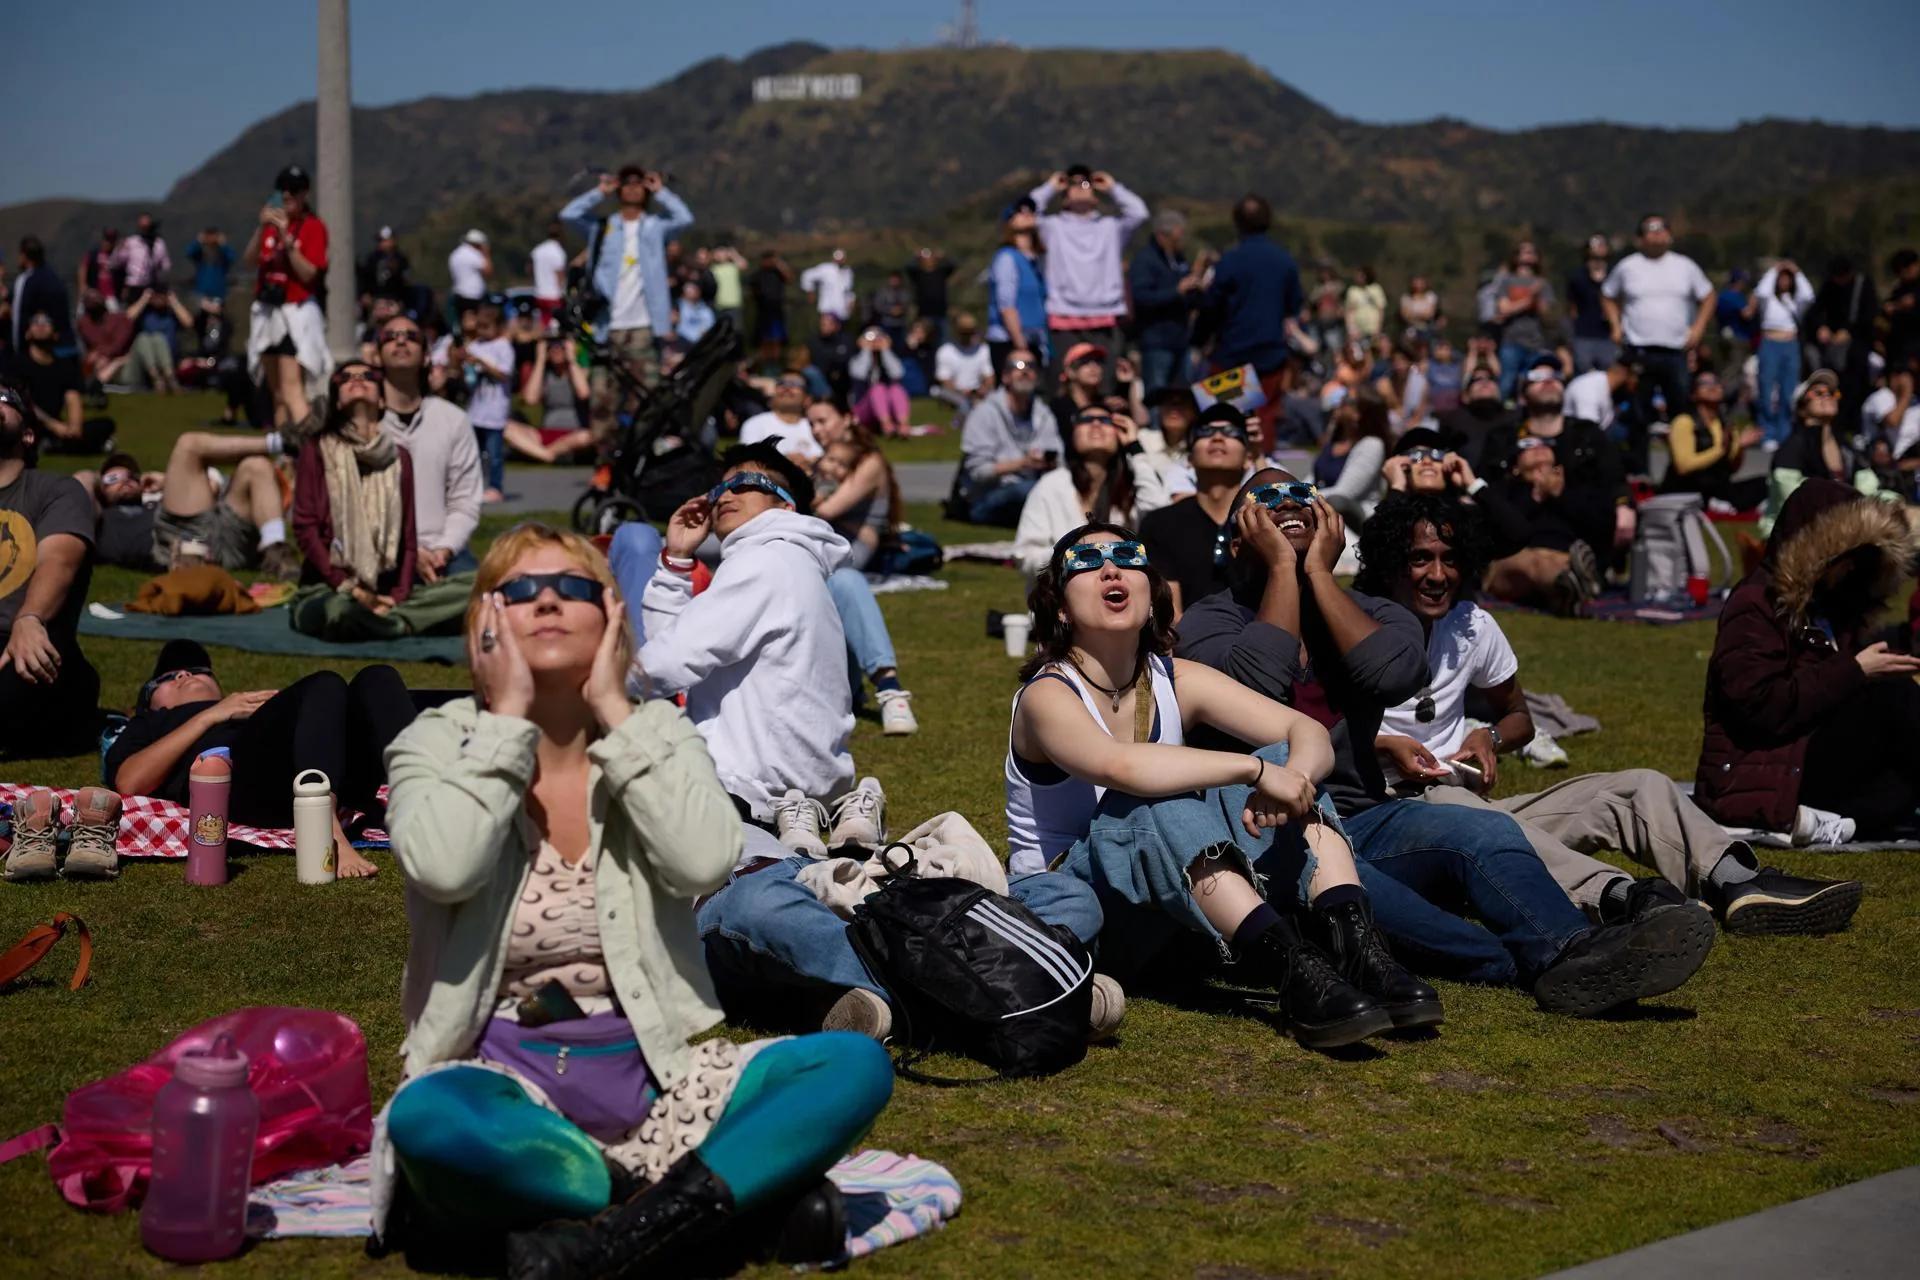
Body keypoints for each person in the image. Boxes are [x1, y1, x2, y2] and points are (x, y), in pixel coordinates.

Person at [376, 522, 893, 1274]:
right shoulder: (437, 741)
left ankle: (618, 1232)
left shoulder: (654, 734)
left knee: (852, 1067)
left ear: (611, 615)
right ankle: (710, 1203)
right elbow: (444, 868)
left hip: (656, 1088)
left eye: (572, 588)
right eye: (520, 590)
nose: (547, 602)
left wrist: (619, 715)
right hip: (501, 1090)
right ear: (484, 620)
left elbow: (705, 860)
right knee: (427, 1118)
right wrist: (505, 723)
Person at [1176, 471, 1713, 1014]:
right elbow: (1258, 684)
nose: (1287, 504)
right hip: (1275, 834)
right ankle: (1525, 966)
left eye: (1301, 496)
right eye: (1265, 499)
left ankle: (1574, 949)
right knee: (1420, 923)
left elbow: (1393, 674)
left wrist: (1316, 572)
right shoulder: (1206, 622)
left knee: (1485, 830)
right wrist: (1282, 569)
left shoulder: (1371, 611)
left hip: (1366, 817)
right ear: (1239, 540)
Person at [1011, 522, 1435, 1046]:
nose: (1111, 570)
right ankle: (1293, 970)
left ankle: (1358, 947)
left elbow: (1306, 732)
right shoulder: (1047, 694)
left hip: (1164, 903)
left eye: (1128, 557)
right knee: (1152, 800)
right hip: (1081, 906)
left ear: (1150, 592)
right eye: (1087, 562)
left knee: (1284, 757)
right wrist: (1253, 772)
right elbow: (1122, 767)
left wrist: (1293, 778)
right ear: (1060, 607)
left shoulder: (1173, 677)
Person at [1359, 492, 1857, 934]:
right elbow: (1317, 734)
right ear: (1390, 562)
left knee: (1637, 787)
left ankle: (1739, 882)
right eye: (1420, 559)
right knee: (1464, 810)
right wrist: (1385, 746)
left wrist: (1488, 736)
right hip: (1388, 815)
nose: (1438, 575)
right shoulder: (1354, 626)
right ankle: (1624, 899)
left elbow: (1519, 717)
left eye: (1449, 559)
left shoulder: (1471, 625)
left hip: (1468, 806)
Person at [622, 443, 857, 841]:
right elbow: (674, 653)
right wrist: (677, 560)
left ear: (785, 505)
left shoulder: (764, 561)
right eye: (718, 489)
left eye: (746, 482)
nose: (725, 495)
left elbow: (664, 664)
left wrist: (595, 691)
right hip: (802, 784)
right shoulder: (790, 559)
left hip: (748, 789)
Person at [1697, 478, 1920, 843]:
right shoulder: (1756, 605)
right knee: (1895, 698)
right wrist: (1855, 670)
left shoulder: (1832, 604)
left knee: (1902, 750)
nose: (1851, 568)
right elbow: (1761, 707)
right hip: (1769, 770)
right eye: (1846, 557)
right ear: (1818, 551)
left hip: (1808, 762)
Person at [109, 638, 421, 879]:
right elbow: (130, 781)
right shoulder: (151, 724)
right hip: (246, 789)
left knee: (377, 677)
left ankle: (428, 803)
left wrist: (290, 708)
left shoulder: (248, 708)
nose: (184, 675)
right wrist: (210, 715)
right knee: (325, 682)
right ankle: (324, 832)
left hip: (332, 774)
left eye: (199, 672)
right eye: (166, 679)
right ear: (148, 704)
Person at [0, 381, 99, 760]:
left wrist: (29, 618)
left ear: (28, 434)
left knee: (30, 672)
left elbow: (59, 560)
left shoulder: (56, 490)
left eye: (4, 400)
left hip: (29, 639)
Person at [561, 166, 694, 445]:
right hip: (606, 325)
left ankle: (640, 456)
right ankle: (605, 460)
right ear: (618, 188)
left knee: (645, 398)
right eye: (627, 182)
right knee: (602, 400)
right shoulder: (602, 226)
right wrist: (600, 192)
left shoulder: (656, 226)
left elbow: (685, 218)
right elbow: (569, 215)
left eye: (639, 183)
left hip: (644, 326)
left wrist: (661, 191)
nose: (633, 187)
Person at [290, 363, 420, 636]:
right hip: (329, 587)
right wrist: (351, 589)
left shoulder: (400, 458)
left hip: (384, 588)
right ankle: (394, 622)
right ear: (337, 401)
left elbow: (408, 541)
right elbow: (305, 528)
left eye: (368, 376)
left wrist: (399, 595)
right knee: (339, 611)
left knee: (464, 590)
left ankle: (387, 616)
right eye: (345, 377)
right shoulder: (317, 450)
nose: (357, 379)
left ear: (382, 400)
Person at [85, 430, 299, 578]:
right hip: (182, 544)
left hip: (224, 538)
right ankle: (284, 441)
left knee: (256, 465)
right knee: (188, 445)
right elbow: (81, 480)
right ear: (100, 490)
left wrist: (167, 482)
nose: (125, 481)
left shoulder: (156, 499)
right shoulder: (100, 516)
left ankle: (276, 551)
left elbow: (214, 487)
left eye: (132, 477)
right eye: (112, 479)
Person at [1602, 214, 1715, 473]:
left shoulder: (1685, 266)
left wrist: (1698, 328)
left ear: (1670, 235)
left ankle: (1681, 470)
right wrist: (1615, 325)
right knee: (1638, 414)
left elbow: (1708, 296)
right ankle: (1640, 472)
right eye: (1650, 230)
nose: (1656, 235)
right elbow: (1607, 295)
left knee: (1681, 414)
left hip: (1675, 351)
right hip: (1639, 350)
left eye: (1661, 229)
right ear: (1639, 238)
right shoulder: (1628, 266)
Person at [374, 313, 485, 576]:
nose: (401, 341)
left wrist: (444, 549)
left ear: (426, 356)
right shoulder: (364, 423)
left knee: (484, 592)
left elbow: (465, 501)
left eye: (411, 337)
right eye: (391, 337)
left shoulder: (453, 420)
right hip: (378, 552)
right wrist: (407, 553)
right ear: (377, 357)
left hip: (442, 552)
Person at [1014, 404, 1168, 584]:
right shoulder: (1050, 485)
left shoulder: (1134, 484)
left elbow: (1161, 520)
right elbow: (1024, 556)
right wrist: (1080, 555)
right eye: (1085, 420)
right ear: (1073, 435)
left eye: (1105, 421)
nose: (1096, 424)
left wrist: (1135, 449)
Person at [1199, 194, 1304, 437]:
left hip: (1231, 355)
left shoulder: (1229, 262)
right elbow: (1294, 306)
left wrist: (1200, 339)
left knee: (1224, 422)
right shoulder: (1285, 262)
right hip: (1270, 356)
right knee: (1263, 423)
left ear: (1237, 223)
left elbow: (1211, 307)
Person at [1030, 165, 1149, 380]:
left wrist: (1113, 188)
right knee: (1065, 380)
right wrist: (1050, 187)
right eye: (1073, 184)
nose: (1080, 187)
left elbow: (1139, 213)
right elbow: (1028, 211)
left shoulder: (1111, 227)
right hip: (1063, 315)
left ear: (1095, 195)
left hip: (1106, 315)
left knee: (1105, 381)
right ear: (1064, 197)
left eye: (1085, 183)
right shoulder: (1052, 227)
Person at [1137, 402, 1255, 615]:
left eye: (1231, 432)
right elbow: (1170, 612)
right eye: (1205, 432)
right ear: (1189, 459)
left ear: (1248, 458)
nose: (1217, 437)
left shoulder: (1263, 522)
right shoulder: (1159, 524)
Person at [244, 165, 331, 429]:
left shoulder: (314, 227)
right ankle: (284, 446)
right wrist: (261, 229)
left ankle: (309, 444)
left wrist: (288, 241)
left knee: (293, 389)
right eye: (282, 189)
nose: (286, 195)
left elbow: (309, 274)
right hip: (267, 312)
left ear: (304, 194)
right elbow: (249, 261)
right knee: (278, 394)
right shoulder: (269, 228)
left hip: (296, 312)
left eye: (293, 190)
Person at [1762, 370, 1881, 536]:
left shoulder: (1845, 445)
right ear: (1801, 407)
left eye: (1833, 393)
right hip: (1797, 535)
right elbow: (1792, 498)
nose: (1827, 397)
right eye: (1818, 393)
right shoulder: (1793, 446)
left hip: (1846, 526)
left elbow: (1869, 487)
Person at [958, 348, 1060, 526]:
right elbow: (978, 472)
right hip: (987, 497)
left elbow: (1059, 458)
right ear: (1005, 376)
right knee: (1031, 490)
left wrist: (1049, 462)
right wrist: (1022, 464)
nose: (1025, 371)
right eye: (1018, 365)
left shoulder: (1043, 414)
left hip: (1032, 486)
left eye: (1031, 366)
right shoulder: (984, 413)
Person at [810, 407, 901, 571]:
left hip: (853, 544)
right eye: (811, 424)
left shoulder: (869, 462)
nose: (815, 430)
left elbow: (826, 511)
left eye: (822, 422)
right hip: (831, 537)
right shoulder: (821, 463)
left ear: (846, 419)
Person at [1664, 368, 1766, 510]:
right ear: (1693, 394)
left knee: (1765, 483)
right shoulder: (1684, 422)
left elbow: (1732, 468)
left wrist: (1741, 447)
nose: (1712, 387)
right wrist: (1720, 450)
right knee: (1706, 484)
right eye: (1704, 383)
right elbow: (1683, 466)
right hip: (1686, 488)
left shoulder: (1726, 424)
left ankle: (1723, 503)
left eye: (1716, 383)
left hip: (1717, 485)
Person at [7, 311, 106, 454]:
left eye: (46, 322)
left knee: (105, 425)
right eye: (36, 322)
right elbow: (20, 401)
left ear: (56, 334)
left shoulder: (65, 367)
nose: (41, 325)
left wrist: (74, 427)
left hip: (56, 426)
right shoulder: (16, 364)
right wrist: (53, 425)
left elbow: (72, 397)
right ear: (28, 333)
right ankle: (63, 445)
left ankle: (55, 445)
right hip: (28, 421)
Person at [1128, 209, 1203, 394]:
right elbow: (1141, 297)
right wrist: (1176, 291)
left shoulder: (1178, 259)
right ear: (1162, 236)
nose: (1180, 242)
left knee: (1183, 395)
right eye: (1176, 239)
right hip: (1157, 342)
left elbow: (1187, 296)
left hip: (1181, 340)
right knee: (1156, 394)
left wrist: (1196, 289)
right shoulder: (1145, 261)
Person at [1807, 256, 1880, 437]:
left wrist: (1849, 332)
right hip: (1833, 350)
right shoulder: (1829, 286)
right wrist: (1821, 327)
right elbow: (1815, 312)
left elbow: (1870, 315)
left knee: (1856, 387)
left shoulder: (1863, 285)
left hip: (1857, 347)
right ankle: (1835, 425)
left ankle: (1855, 427)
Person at [1747, 258, 1815, 447]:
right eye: (1781, 278)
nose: (1784, 281)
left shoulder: (1795, 301)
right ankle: (1767, 432)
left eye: (1787, 278)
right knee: (1766, 389)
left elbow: (1809, 295)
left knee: (1788, 391)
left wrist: (1797, 271)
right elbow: (1761, 291)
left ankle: (1784, 433)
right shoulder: (1768, 299)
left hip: (1790, 344)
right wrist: (1774, 270)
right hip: (1770, 343)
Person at [507, 334, 594, 465]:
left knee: (587, 437)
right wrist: (540, 360)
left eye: (560, 346)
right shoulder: (544, 374)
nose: (556, 349)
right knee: (506, 427)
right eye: (551, 346)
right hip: (545, 434)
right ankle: (548, 455)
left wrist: (571, 359)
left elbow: (583, 392)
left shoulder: (581, 371)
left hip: (574, 435)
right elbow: (530, 399)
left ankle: (539, 453)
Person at [1312, 386, 1391, 528]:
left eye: (1347, 399)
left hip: (1355, 520)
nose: (1340, 401)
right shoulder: (1335, 439)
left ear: (1358, 414)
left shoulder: (1372, 445)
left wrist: (1301, 497)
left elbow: (1344, 494)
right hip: (1322, 509)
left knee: (1337, 502)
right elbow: (1313, 478)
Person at [986, 198, 1048, 374]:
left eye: (1031, 211)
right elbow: (1006, 305)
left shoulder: (1035, 261)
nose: (1027, 214)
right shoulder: (1007, 258)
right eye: (1020, 211)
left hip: (1035, 338)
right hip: (1011, 341)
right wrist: (1020, 344)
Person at [461, 302, 515, 503]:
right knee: (472, 453)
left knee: (494, 454)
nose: (482, 331)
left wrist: (482, 363)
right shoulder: (475, 346)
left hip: (495, 411)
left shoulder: (503, 347)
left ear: (498, 326)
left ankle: (495, 487)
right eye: (480, 327)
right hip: (476, 410)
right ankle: (471, 487)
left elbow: (504, 374)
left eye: (487, 327)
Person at [1490, 242, 1556, 401]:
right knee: (1507, 382)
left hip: (1536, 341)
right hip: (1511, 340)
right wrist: (1530, 297)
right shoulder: (1507, 281)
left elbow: (1546, 313)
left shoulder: (1542, 283)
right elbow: (1504, 309)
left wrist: (1537, 298)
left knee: (1532, 383)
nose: (1528, 255)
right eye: (1524, 251)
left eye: (1532, 252)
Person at [739, 372, 822, 466]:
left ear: (807, 398)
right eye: (782, 383)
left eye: (795, 384)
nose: (787, 388)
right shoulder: (754, 423)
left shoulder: (815, 426)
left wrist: (808, 462)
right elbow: (748, 460)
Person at [124, 283, 194, 394]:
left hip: (168, 357)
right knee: (143, 338)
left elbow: (189, 323)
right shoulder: (144, 313)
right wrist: (144, 299)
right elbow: (126, 320)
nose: (158, 299)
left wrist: (174, 301)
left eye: (161, 296)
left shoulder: (171, 313)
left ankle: (169, 376)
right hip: (145, 360)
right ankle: (157, 377)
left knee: (158, 338)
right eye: (156, 296)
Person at [1565, 234, 1617, 374]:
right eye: (1595, 244)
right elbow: (1572, 307)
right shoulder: (1577, 276)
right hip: (1583, 334)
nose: (1599, 247)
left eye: (1602, 243)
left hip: (1608, 335)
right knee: (1583, 372)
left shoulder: (1615, 274)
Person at [12, 238, 73, 355]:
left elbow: (19, 318)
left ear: (24, 256)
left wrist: (18, 349)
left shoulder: (26, 280)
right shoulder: (55, 278)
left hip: (38, 351)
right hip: (65, 347)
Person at [847, 326, 909, 438]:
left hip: (887, 407)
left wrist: (885, 350)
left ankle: (903, 425)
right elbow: (859, 374)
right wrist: (866, 350)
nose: (875, 341)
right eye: (870, 337)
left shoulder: (888, 356)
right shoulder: (856, 358)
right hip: (864, 408)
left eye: (878, 337)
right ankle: (886, 425)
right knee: (878, 389)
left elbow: (897, 373)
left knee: (896, 389)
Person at [931, 312, 993, 418]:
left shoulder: (983, 349)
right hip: (954, 392)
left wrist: (983, 389)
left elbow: (989, 377)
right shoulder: (945, 351)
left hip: (976, 391)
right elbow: (945, 380)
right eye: (965, 332)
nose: (968, 336)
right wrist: (962, 392)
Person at [1563, 354, 1632, 436]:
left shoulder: (1609, 388)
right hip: (1574, 436)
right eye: (1635, 377)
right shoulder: (1589, 388)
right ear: (1623, 374)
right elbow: (1587, 430)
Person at [110, 213, 171, 304]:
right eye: (143, 227)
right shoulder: (131, 242)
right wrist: (119, 248)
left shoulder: (159, 243)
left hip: (152, 285)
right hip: (134, 285)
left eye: (147, 226)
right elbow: (116, 263)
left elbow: (165, 265)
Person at [748, 249, 793, 366]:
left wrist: (780, 264)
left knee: (776, 339)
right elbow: (752, 291)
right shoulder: (758, 275)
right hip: (763, 312)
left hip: (777, 311)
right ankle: (764, 365)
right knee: (764, 339)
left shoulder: (778, 273)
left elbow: (789, 278)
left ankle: (775, 365)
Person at [358, 226, 412, 315]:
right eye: (380, 241)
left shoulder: (400, 258)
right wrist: (364, 293)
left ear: (392, 240)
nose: (381, 243)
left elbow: (405, 281)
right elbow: (365, 277)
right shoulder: (373, 258)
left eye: (384, 240)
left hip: (394, 299)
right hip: (375, 300)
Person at [904, 246, 954, 341]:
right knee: (925, 340)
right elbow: (908, 267)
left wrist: (944, 257)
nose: (928, 261)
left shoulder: (941, 272)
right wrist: (916, 257)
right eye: (925, 259)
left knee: (943, 340)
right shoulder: (918, 274)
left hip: (941, 313)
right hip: (924, 313)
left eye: (930, 258)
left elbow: (952, 265)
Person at [528, 222, 568, 328]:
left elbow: (529, 268)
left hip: (539, 294)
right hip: (554, 295)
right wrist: (564, 292)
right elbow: (560, 275)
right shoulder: (558, 252)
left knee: (543, 323)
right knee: (554, 325)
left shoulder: (538, 250)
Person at [799, 249, 855, 324]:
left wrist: (850, 302)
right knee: (828, 328)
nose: (839, 261)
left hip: (842, 311)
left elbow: (848, 290)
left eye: (841, 259)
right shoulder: (826, 269)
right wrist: (810, 290)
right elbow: (807, 275)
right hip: (827, 309)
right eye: (837, 259)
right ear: (833, 259)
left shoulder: (848, 272)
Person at [446, 229, 492, 318]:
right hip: (473, 296)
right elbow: (488, 271)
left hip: (459, 294)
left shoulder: (455, 254)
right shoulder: (473, 254)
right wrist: (486, 254)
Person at [187, 226, 234, 306]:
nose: (211, 238)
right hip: (201, 292)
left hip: (219, 292)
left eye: (213, 235)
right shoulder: (200, 252)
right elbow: (189, 252)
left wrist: (223, 244)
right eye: (208, 235)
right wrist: (198, 241)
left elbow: (231, 257)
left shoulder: (223, 252)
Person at [1342, 267, 1387, 349]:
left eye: (1361, 275)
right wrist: (1351, 329)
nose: (1358, 277)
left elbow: (1381, 309)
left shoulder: (1376, 289)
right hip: (1358, 331)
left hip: (1373, 330)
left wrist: (1378, 329)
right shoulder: (1352, 291)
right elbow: (1349, 312)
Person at [78, 229, 122, 313]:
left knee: (115, 314)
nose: (108, 243)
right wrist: (82, 285)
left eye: (111, 241)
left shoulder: (118, 256)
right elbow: (83, 267)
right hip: (93, 291)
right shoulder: (94, 254)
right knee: (82, 313)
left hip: (110, 294)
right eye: (107, 240)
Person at [707, 244, 747, 333]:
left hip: (734, 305)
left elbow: (743, 265)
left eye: (721, 252)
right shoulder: (712, 268)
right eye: (717, 253)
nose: (719, 255)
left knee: (736, 331)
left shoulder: (733, 266)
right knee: (720, 332)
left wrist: (733, 254)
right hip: (718, 306)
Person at [1399, 274, 1442, 341]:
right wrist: (1421, 314)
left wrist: (1413, 314)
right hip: (1410, 327)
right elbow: (1404, 314)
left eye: (1420, 283)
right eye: (1416, 283)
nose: (1418, 286)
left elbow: (1429, 314)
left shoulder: (1431, 296)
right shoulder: (1406, 297)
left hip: (1427, 327)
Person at [675, 279, 715, 346]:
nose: (693, 292)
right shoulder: (677, 306)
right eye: (690, 290)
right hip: (682, 343)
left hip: (702, 343)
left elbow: (710, 326)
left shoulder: (706, 308)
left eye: (695, 290)